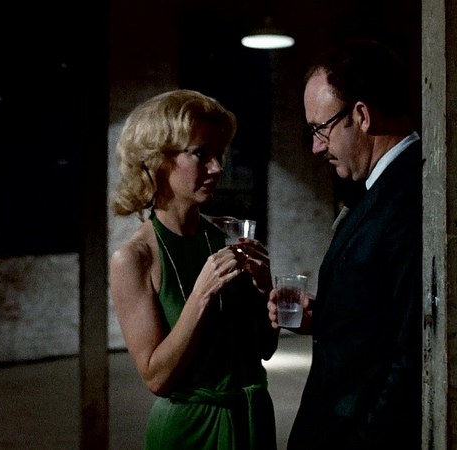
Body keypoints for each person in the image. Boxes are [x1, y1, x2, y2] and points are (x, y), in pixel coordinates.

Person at [268, 39, 423, 448]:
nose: (316, 146)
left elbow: (409, 352)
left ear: (362, 116)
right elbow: (379, 314)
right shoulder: (382, 187)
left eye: (320, 129)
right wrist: (324, 316)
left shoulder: (408, 197)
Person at [109, 89, 279, 450]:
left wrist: (265, 291)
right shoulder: (135, 259)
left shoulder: (227, 238)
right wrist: (201, 294)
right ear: (158, 160)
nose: (217, 168)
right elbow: (157, 379)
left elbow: (264, 349)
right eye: (201, 154)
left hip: (251, 421)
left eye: (219, 154)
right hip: (189, 431)